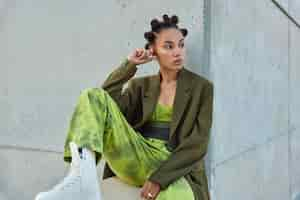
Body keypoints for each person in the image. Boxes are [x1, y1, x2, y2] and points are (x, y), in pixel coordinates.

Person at [35, 14, 214, 200]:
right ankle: (81, 178)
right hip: (139, 153)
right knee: (92, 95)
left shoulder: (202, 87)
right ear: (153, 51)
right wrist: (129, 66)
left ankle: (83, 183)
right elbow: (103, 106)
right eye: (169, 46)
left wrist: (159, 179)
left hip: (172, 161)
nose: (178, 52)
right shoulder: (140, 86)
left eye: (181, 45)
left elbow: (197, 144)